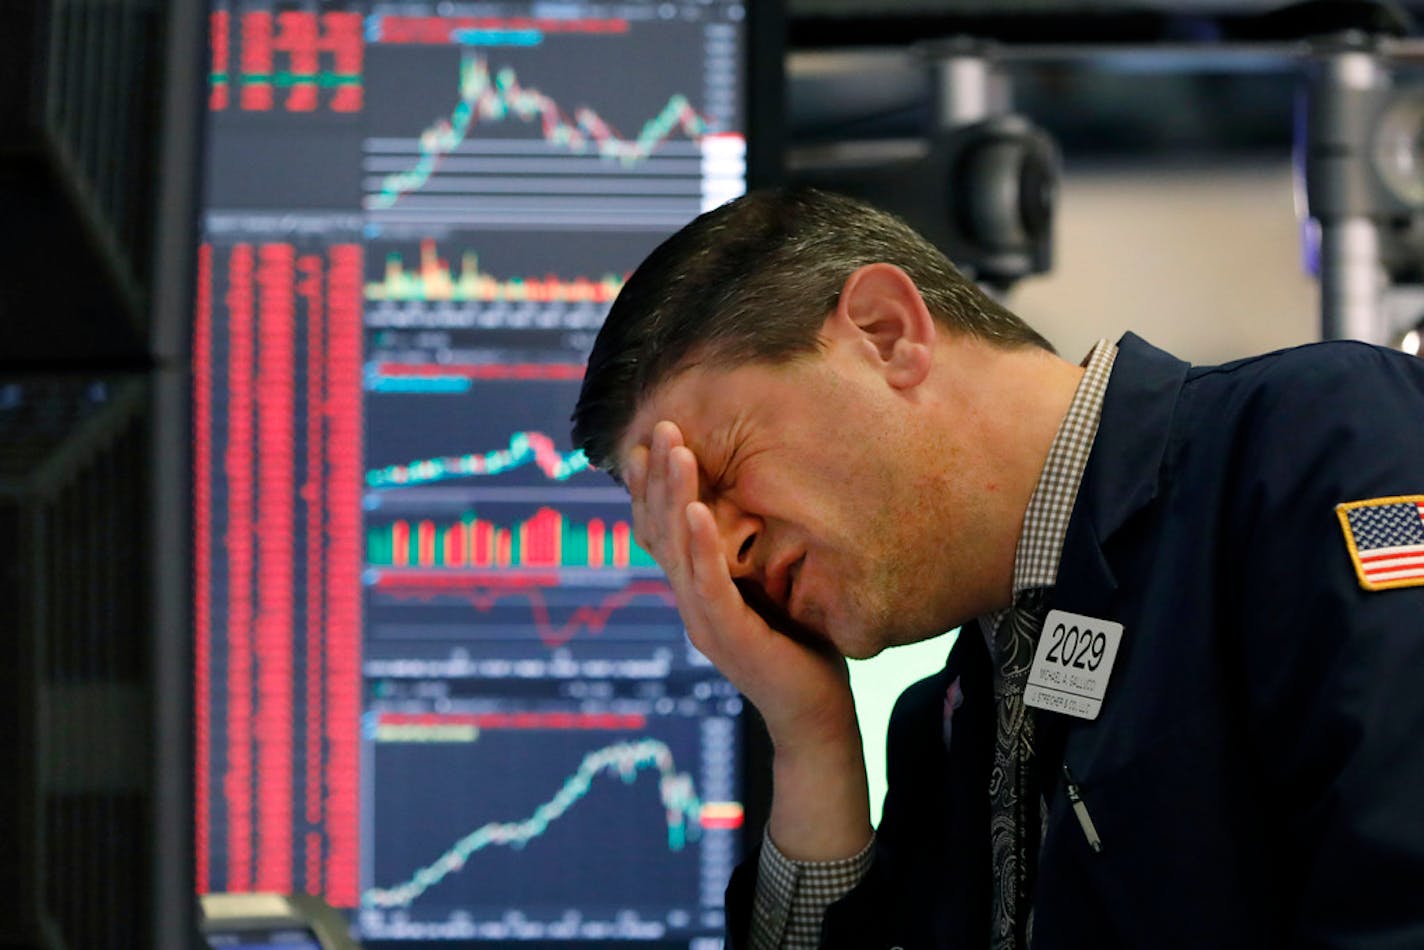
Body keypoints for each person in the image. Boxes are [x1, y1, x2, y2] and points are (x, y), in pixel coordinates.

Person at [570, 187, 1424, 949]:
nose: (722, 558)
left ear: (886, 332)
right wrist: (811, 741)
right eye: (678, 534)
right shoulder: (947, 731)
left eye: (718, 473)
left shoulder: (1319, 447)